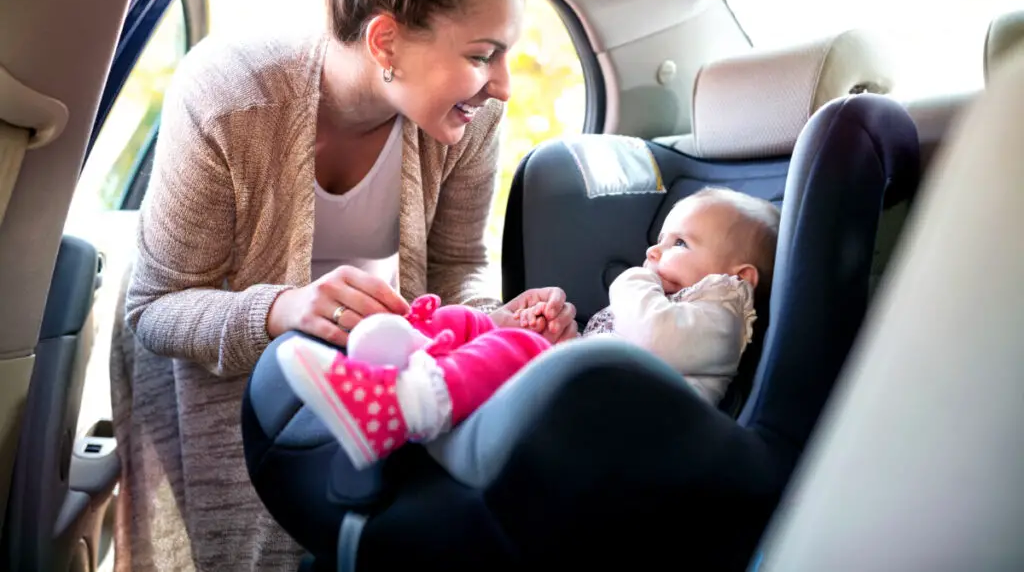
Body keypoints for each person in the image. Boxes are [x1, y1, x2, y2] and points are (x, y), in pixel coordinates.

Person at [110, 0, 577, 570]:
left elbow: (458, 267)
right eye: (483, 54)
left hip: (358, 377)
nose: (503, 85)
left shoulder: (469, 124)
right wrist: (282, 309)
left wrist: (501, 323)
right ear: (386, 40)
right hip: (210, 372)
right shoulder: (229, 95)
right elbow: (156, 307)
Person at [277, 186, 780, 469]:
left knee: (520, 346)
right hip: (600, 403)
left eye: (679, 244)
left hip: (627, 442)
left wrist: (632, 281)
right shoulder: (676, 299)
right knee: (483, 322)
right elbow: (620, 355)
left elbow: (651, 342)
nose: (654, 252)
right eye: (660, 239)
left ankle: (404, 406)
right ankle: (414, 347)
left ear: (738, 277)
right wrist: (566, 341)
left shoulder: (723, 314)